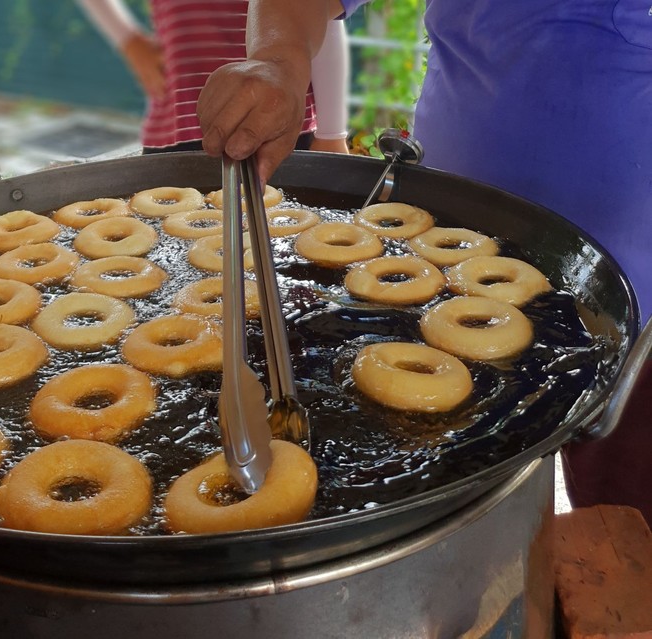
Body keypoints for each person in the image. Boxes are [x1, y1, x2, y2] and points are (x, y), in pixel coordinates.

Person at [197, 0, 652, 523]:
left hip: (636, 283)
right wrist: (279, 60)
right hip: (450, 241)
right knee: (475, 489)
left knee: (625, 512)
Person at [77, 0, 350, 155]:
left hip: (277, 124)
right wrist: (129, 41)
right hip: (178, 126)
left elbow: (322, 17)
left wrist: (331, 134)